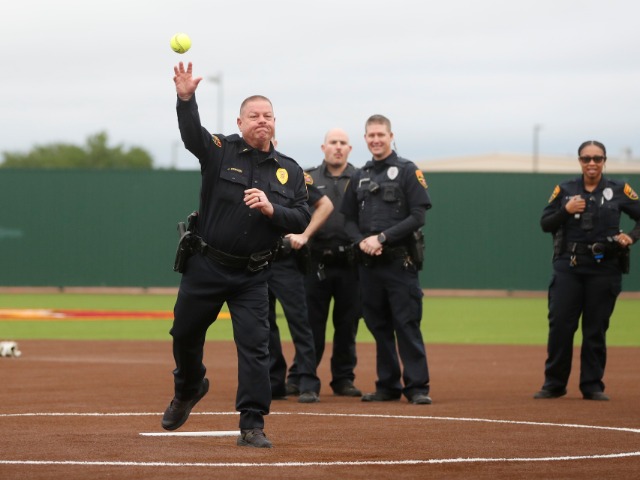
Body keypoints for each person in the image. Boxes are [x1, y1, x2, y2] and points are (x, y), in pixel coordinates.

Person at [161, 62, 310, 449]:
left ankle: (252, 423)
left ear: (275, 122)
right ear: (240, 122)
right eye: (254, 116)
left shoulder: (290, 171)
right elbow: (191, 135)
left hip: (252, 275)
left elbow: (303, 216)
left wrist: (273, 210)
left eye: (268, 116)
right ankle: (189, 387)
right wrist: (185, 99)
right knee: (184, 334)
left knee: (256, 347)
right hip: (206, 265)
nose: (262, 121)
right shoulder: (219, 150)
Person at [534, 140, 640, 401]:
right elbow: (546, 223)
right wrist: (565, 210)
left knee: (595, 328)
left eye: (597, 158)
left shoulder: (619, 189)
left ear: (604, 161)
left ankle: (592, 385)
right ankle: (554, 384)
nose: (592, 163)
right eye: (586, 158)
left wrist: (631, 237)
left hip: (605, 267)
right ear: (579, 161)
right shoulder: (565, 189)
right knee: (560, 325)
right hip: (569, 266)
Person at [340, 114, 433, 405]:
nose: (376, 140)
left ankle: (417, 387)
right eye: (371, 135)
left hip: (399, 263)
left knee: (406, 324)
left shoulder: (407, 170)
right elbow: (347, 219)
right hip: (369, 266)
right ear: (365, 139)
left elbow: (418, 216)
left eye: (381, 134)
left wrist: (382, 238)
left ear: (391, 137)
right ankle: (388, 385)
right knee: (378, 326)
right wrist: (361, 241)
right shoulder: (360, 175)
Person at [297, 128, 363, 397]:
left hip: (351, 262)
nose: (338, 147)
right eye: (333, 142)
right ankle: (305, 379)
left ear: (350, 149)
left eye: (343, 143)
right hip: (316, 262)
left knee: (347, 325)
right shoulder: (308, 178)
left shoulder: (361, 178)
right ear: (323, 148)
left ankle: (343, 379)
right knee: (311, 325)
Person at [267, 137, 334, 403]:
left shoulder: (290, 170)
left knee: (299, 321)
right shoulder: (241, 169)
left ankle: (307, 381)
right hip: (255, 259)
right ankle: (273, 381)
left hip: (285, 260)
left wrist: (304, 235)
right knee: (263, 324)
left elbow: (325, 205)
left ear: (275, 139)